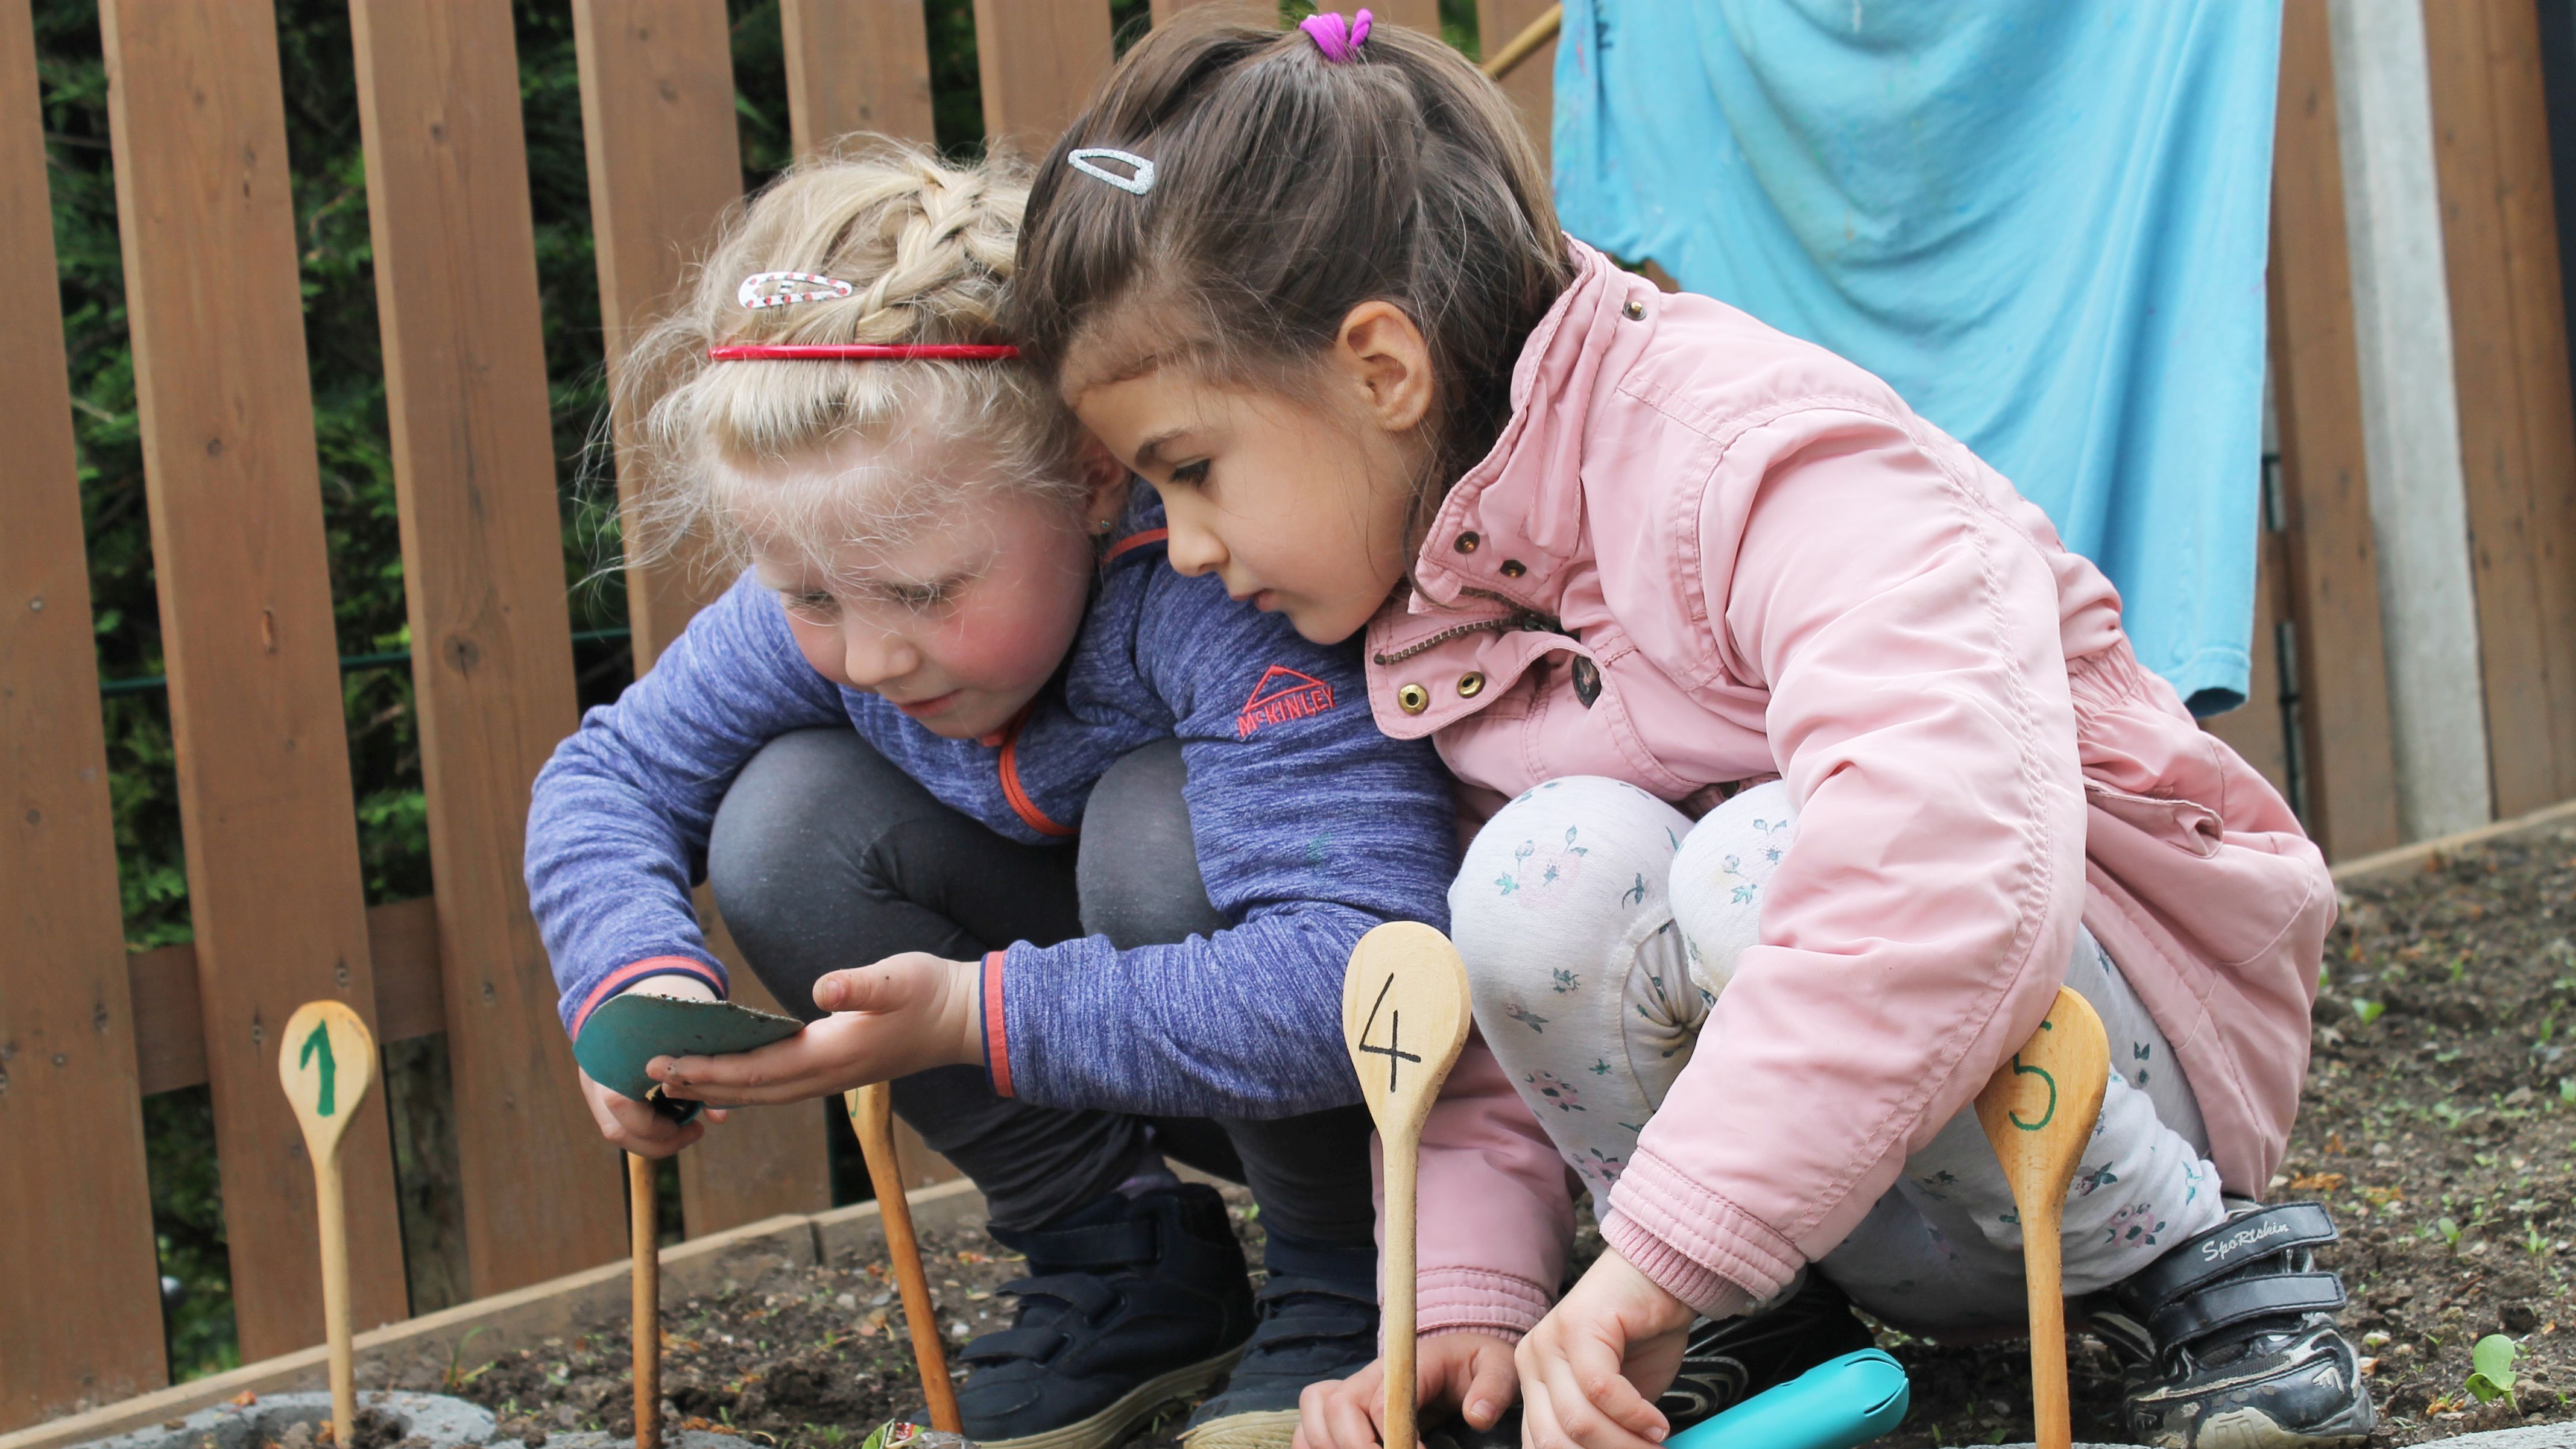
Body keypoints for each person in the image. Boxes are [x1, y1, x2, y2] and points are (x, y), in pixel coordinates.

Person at [1005, 13, 2374, 1449]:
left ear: (1380, 367)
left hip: (2122, 1076)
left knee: (1770, 857)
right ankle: (1755, 1314)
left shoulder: (1752, 451)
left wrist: (1656, 1253)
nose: (1192, 549)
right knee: (1540, 870)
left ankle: (2206, 1275)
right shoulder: (1433, 588)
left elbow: (1937, 865)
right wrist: (1473, 1293)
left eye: (1192, 471)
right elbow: (1498, 1017)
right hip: (1831, 1188)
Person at [523, 143, 1460, 1449]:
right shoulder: (858, 569)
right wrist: (627, 973)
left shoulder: (1218, 585)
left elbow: (1356, 973)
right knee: (786, 816)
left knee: (1153, 823)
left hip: (1380, 1103)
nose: (866, 654)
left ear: (1087, 478)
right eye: (806, 597)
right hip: (1101, 1028)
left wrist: (976, 1013)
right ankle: (1122, 1260)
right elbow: (608, 773)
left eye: (923, 593)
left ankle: (1346, 1283)